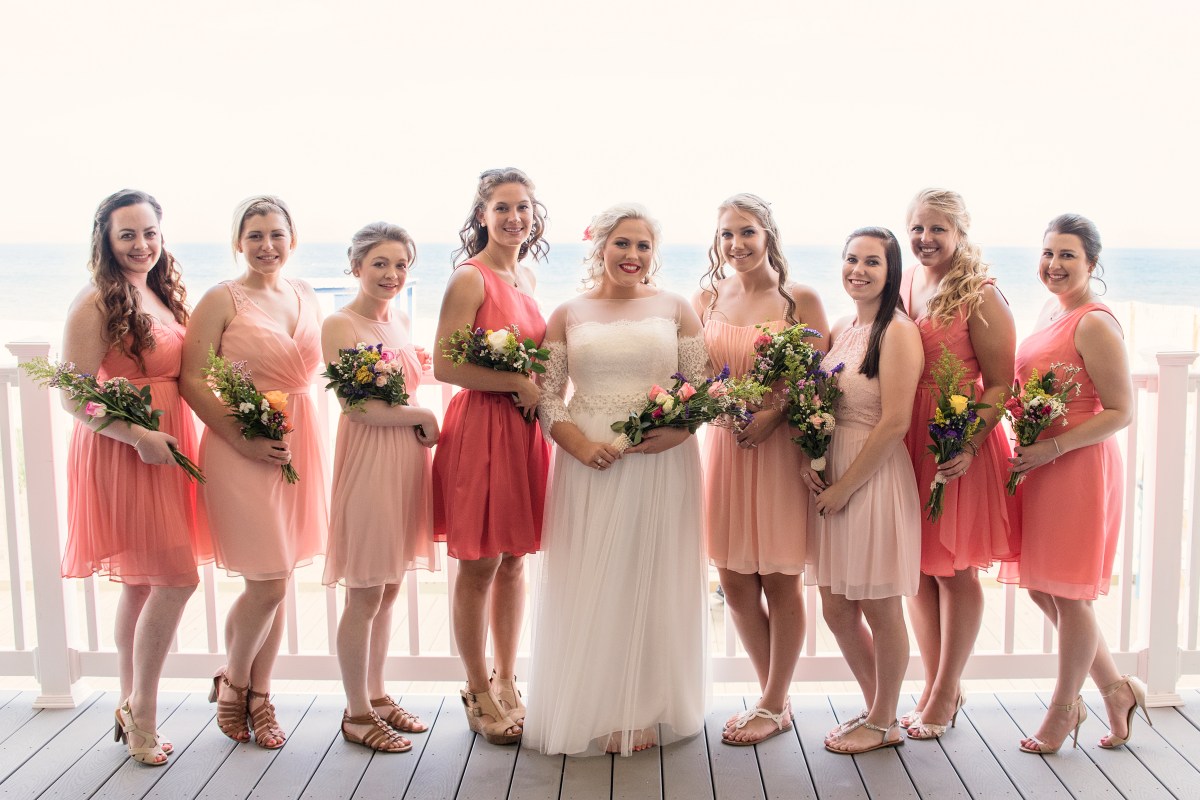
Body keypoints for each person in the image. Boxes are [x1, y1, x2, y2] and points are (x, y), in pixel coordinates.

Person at [523, 203, 709, 757]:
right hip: (590, 460)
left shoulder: (676, 308)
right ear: (600, 247)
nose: (632, 255)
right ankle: (596, 704)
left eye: (643, 245)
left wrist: (679, 432)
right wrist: (578, 446)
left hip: (660, 457)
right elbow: (548, 395)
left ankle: (647, 703)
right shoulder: (568, 312)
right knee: (594, 577)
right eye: (622, 243)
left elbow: (701, 385)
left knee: (654, 573)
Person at [60, 189, 210, 766]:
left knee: (143, 584)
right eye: (127, 234)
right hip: (126, 450)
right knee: (175, 580)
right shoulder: (96, 301)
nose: (141, 244)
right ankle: (143, 711)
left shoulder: (158, 291)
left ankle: (128, 702)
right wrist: (137, 436)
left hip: (166, 445)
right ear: (106, 239)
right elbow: (74, 395)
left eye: (150, 232)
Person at [181, 195, 328, 749]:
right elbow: (193, 379)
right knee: (266, 581)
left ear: (292, 240)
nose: (267, 246)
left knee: (280, 577)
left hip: (300, 442)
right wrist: (243, 437)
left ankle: (260, 694)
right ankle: (236, 684)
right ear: (238, 243)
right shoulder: (220, 299)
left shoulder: (305, 293)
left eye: (276, 234)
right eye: (255, 235)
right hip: (240, 445)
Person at [999, 214, 1141, 753]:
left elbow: (1121, 411)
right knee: (1044, 586)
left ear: (1091, 263)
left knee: (1069, 592)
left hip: (1077, 467)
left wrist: (1053, 448)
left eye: (1067, 255)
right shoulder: (1049, 312)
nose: (1054, 264)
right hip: (1041, 466)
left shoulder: (1095, 322)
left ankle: (1064, 709)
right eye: (1048, 253)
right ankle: (1116, 689)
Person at [692, 193, 829, 745]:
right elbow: (695, 373)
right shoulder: (707, 297)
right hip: (726, 449)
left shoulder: (800, 299)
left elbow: (821, 378)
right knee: (733, 580)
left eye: (746, 231)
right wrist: (717, 403)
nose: (736, 244)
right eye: (727, 234)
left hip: (777, 451)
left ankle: (772, 702)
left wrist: (774, 414)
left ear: (767, 234)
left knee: (779, 577)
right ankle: (774, 695)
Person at [431, 168, 550, 744]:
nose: (513, 217)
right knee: (479, 563)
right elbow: (444, 364)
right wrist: (516, 384)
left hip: (522, 432)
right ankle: (476, 689)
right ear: (482, 215)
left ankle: (507, 678)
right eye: (502, 207)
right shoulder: (470, 278)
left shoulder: (525, 275)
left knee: (515, 560)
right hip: (482, 427)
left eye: (522, 207)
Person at [899, 189, 1020, 739]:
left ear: (960, 232)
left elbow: (999, 384)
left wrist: (967, 444)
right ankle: (932, 683)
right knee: (918, 570)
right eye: (917, 228)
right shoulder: (906, 281)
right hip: (908, 435)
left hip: (955, 437)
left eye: (937, 229)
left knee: (954, 569)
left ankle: (947, 690)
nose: (925, 239)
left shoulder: (980, 293)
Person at [803, 227, 923, 755]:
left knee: (880, 605)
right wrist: (811, 458)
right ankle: (880, 707)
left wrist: (846, 486)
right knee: (835, 609)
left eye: (872, 261)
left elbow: (895, 421)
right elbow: (821, 405)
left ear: (891, 270)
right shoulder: (841, 327)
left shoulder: (898, 332)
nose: (859, 270)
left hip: (872, 477)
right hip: (834, 471)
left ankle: (883, 720)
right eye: (851, 259)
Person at [322, 222, 440, 753]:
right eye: (380, 264)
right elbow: (356, 406)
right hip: (370, 459)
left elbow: (397, 383)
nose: (392, 274)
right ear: (356, 267)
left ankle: (376, 693)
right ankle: (355, 713)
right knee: (366, 589)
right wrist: (423, 415)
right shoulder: (339, 324)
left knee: (390, 587)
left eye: (401, 265)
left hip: (405, 462)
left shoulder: (401, 320)